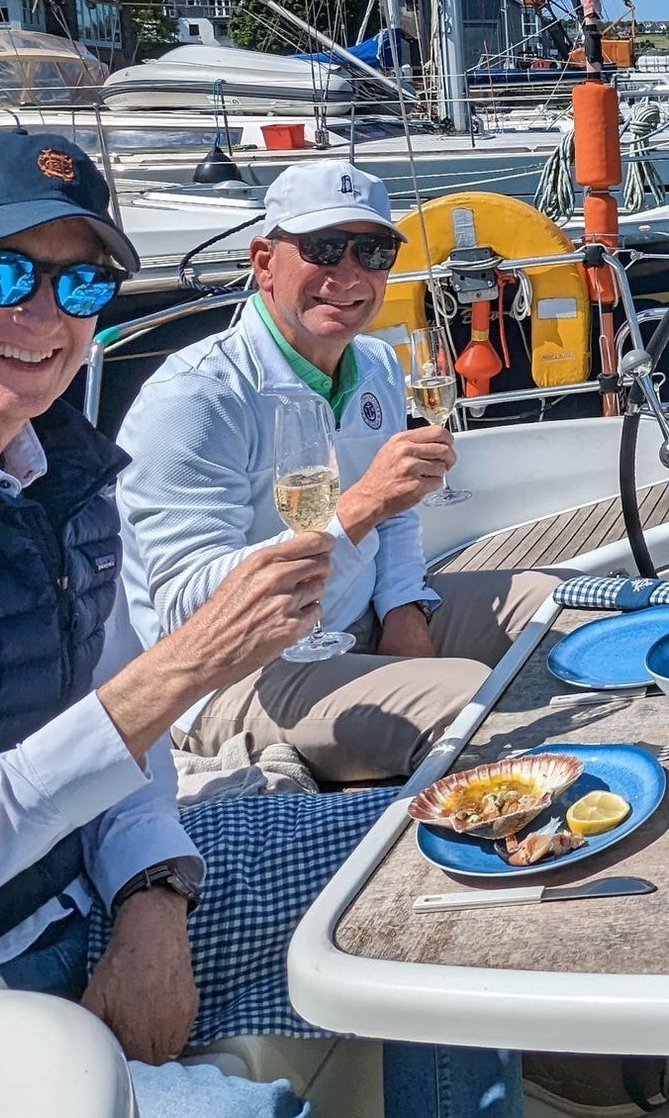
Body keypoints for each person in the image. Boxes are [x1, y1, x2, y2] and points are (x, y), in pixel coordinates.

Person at [0, 130, 524, 1118]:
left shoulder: (61, 473)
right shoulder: (186, 398)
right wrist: (165, 681)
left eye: (84, 282)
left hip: (97, 885)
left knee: (452, 861)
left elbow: (124, 743)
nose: (46, 315)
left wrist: (151, 888)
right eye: (7, 270)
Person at [118, 162, 551, 785]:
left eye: (373, 251)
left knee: (561, 604)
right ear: (264, 261)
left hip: (356, 620)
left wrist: (404, 607)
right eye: (323, 248)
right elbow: (188, 608)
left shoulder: (373, 362)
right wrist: (357, 508)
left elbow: (400, 514)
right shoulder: (195, 399)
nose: (348, 276)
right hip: (235, 674)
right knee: (467, 701)